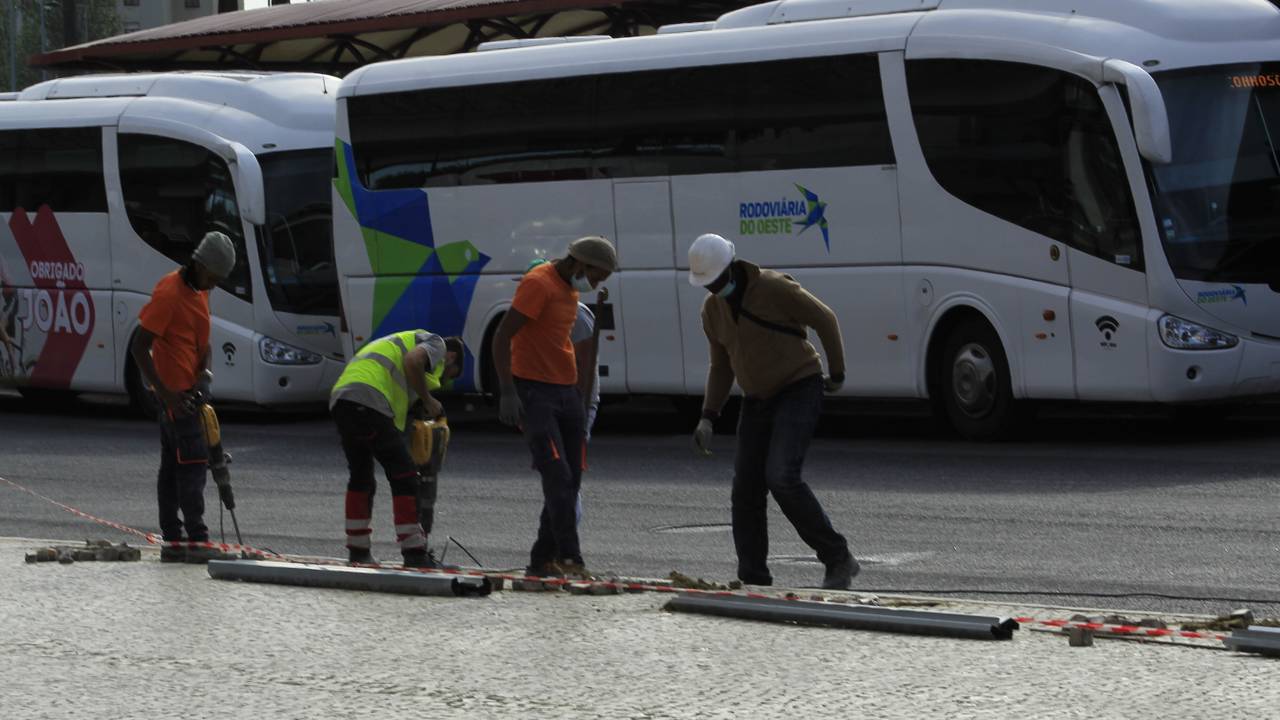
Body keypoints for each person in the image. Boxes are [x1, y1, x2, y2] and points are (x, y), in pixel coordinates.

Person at [687, 233, 859, 590]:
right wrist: (708, 416)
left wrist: (838, 373)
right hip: (756, 399)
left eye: (717, 281)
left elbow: (825, 319)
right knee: (745, 490)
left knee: (781, 476)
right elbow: (721, 366)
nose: (715, 289)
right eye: (708, 285)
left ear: (732, 267)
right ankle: (753, 578)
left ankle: (838, 557)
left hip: (799, 387)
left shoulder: (773, 287)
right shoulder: (712, 310)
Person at [493, 236, 616, 578]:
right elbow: (502, 336)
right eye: (595, 277)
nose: (594, 285)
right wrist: (507, 391)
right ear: (580, 263)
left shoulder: (570, 289)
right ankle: (571, 558)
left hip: (567, 393)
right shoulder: (538, 284)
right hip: (535, 393)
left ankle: (541, 560)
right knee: (557, 474)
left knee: (571, 480)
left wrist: (578, 394)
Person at [130, 231, 235, 564]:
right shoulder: (169, 293)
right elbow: (139, 346)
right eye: (213, 277)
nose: (214, 285)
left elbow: (203, 345)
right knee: (192, 468)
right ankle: (196, 540)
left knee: (173, 469)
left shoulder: (199, 291)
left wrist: (205, 375)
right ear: (200, 264)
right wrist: (166, 394)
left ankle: (174, 541)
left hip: (191, 393)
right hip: (176, 399)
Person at [330, 329, 463, 567]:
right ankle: (414, 553)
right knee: (405, 476)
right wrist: (429, 400)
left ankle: (358, 550)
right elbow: (413, 361)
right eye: (449, 375)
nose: (443, 382)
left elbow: (403, 379)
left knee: (361, 476)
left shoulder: (399, 345)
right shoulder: (437, 343)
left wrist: (419, 404)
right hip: (369, 397)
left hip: (343, 398)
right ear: (451, 357)